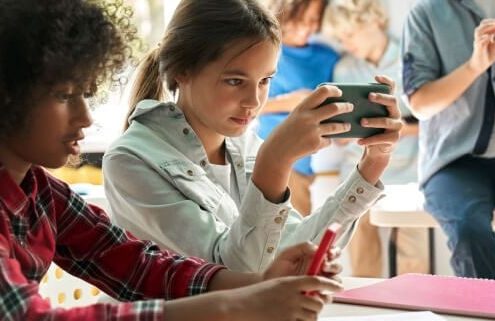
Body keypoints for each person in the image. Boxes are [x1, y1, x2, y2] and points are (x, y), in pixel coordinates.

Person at [0, 0, 345, 320]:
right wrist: (237, 301)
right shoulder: (132, 158)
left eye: (86, 94)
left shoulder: (42, 193)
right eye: (64, 96)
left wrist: (258, 283)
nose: (86, 118)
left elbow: (139, 265)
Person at [103, 0, 403, 273]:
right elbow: (235, 276)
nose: (254, 101)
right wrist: (274, 161)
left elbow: (294, 249)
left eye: (265, 80)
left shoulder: (243, 144)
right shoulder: (130, 161)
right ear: (182, 70)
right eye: (235, 81)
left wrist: (372, 165)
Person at [325, 0, 428, 277]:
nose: (346, 43)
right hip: (357, 171)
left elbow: (432, 118)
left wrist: (396, 128)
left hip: (409, 173)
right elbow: (340, 125)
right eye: (340, 37)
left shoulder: (414, 56)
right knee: (362, 253)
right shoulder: (345, 69)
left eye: (350, 33)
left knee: (413, 256)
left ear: (373, 21)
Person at [402, 0, 495, 278]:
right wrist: (475, 66)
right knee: (469, 230)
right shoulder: (426, 14)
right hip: (453, 162)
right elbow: (419, 103)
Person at [256, 0, 340, 215]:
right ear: (287, 10)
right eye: (303, 19)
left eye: (315, 20)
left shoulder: (327, 58)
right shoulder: (263, 49)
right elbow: (243, 105)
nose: (310, 26)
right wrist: (291, 102)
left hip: (305, 163)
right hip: (269, 156)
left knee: (296, 238)